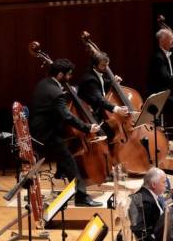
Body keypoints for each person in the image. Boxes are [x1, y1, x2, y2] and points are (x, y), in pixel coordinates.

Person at [28, 58, 103, 206]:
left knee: (61, 154)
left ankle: (38, 190)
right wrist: (87, 127)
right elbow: (67, 116)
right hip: (46, 133)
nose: (70, 78)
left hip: (36, 130)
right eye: (68, 75)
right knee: (69, 161)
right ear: (60, 75)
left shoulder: (43, 83)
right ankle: (81, 197)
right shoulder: (56, 93)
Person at [76, 51, 131, 141]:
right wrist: (117, 109)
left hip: (99, 109)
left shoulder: (99, 72)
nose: (106, 68)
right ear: (95, 65)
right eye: (103, 65)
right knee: (109, 134)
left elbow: (103, 84)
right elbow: (99, 99)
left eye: (107, 65)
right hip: (90, 114)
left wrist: (113, 82)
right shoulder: (90, 79)